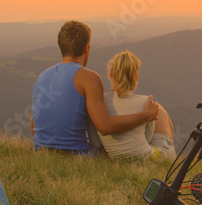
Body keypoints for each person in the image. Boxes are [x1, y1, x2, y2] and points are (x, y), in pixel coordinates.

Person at [32, 21, 158, 153]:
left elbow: (34, 127)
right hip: (75, 156)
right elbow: (105, 127)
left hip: (41, 152)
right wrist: (145, 115)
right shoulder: (89, 78)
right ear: (87, 48)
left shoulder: (41, 77)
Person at [98, 51, 176, 161]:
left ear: (110, 74)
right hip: (150, 159)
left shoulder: (99, 102)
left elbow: (96, 142)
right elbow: (148, 138)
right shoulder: (146, 102)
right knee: (160, 111)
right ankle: (168, 148)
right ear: (135, 76)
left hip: (113, 156)